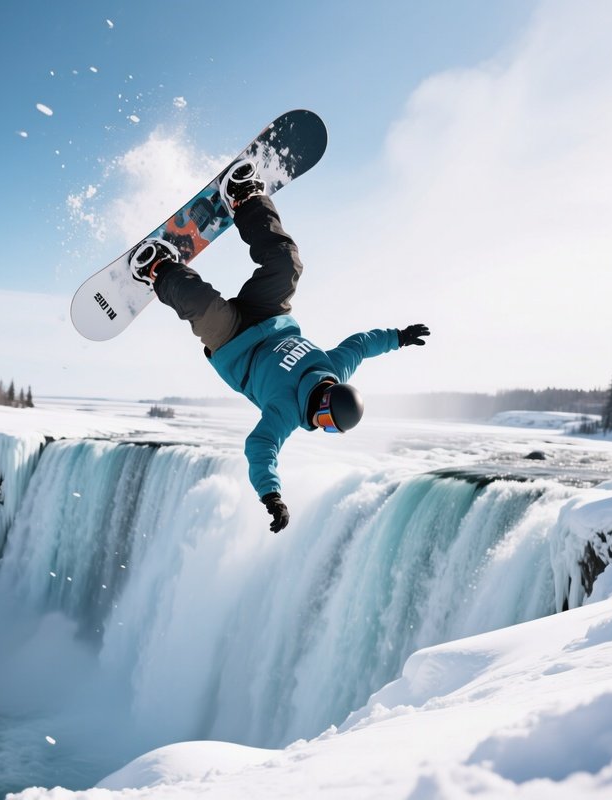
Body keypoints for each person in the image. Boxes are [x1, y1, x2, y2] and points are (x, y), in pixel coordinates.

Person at [131, 159, 430, 533]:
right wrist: (397, 337)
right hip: (270, 315)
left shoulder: (287, 414)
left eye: (329, 429)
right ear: (329, 397)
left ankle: (161, 270)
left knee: (202, 306)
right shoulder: (319, 381)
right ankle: (246, 199)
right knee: (288, 264)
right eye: (327, 421)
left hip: (235, 344)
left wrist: (271, 495)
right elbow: (362, 344)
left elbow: (261, 447)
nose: (320, 427)